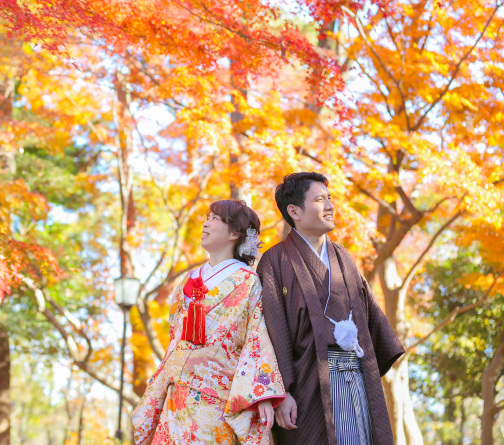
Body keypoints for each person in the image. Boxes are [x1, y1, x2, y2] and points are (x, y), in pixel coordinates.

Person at [257, 172, 405, 445]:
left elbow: (370, 320)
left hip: (356, 377)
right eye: (320, 199)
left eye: (330, 199)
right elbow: (270, 331)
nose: (330, 206)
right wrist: (281, 393)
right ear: (294, 211)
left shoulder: (343, 258)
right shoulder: (274, 262)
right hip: (307, 387)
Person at [132, 200, 285, 445]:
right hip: (176, 390)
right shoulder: (188, 279)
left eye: (215, 219)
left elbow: (256, 337)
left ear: (235, 233)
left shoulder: (248, 282)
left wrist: (261, 393)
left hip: (216, 394)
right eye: (208, 217)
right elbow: (175, 333)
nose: (206, 223)